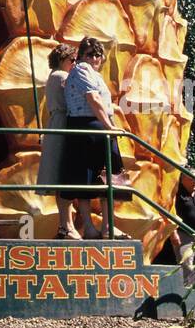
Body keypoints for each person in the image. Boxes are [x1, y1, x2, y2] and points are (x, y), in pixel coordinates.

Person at [63, 37, 130, 238]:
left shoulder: (95, 74)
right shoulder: (81, 70)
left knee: (108, 177)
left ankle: (108, 225)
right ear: (81, 56)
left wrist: (108, 126)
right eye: (90, 54)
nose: (94, 58)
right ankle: (89, 226)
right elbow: (92, 98)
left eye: (98, 54)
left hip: (99, 126)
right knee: (86, 177)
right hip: (86, 126)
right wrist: (109, 126)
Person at [38, 43, 79, 238]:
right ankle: (67, 224)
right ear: (63, 59)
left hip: (57, 124)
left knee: (60, 175)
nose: (74, 63)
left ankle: (65, 224)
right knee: (64, 174)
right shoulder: (62, 77)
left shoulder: (54, 76)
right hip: (63, 125)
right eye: (72, 60)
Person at [169, 168, 195, 288]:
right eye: (192, 179)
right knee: (187, 266)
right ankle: (187, 293)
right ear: (183, 180)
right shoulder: (177, 194)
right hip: (184, 236)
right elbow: (170, 213)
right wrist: (173, 233)